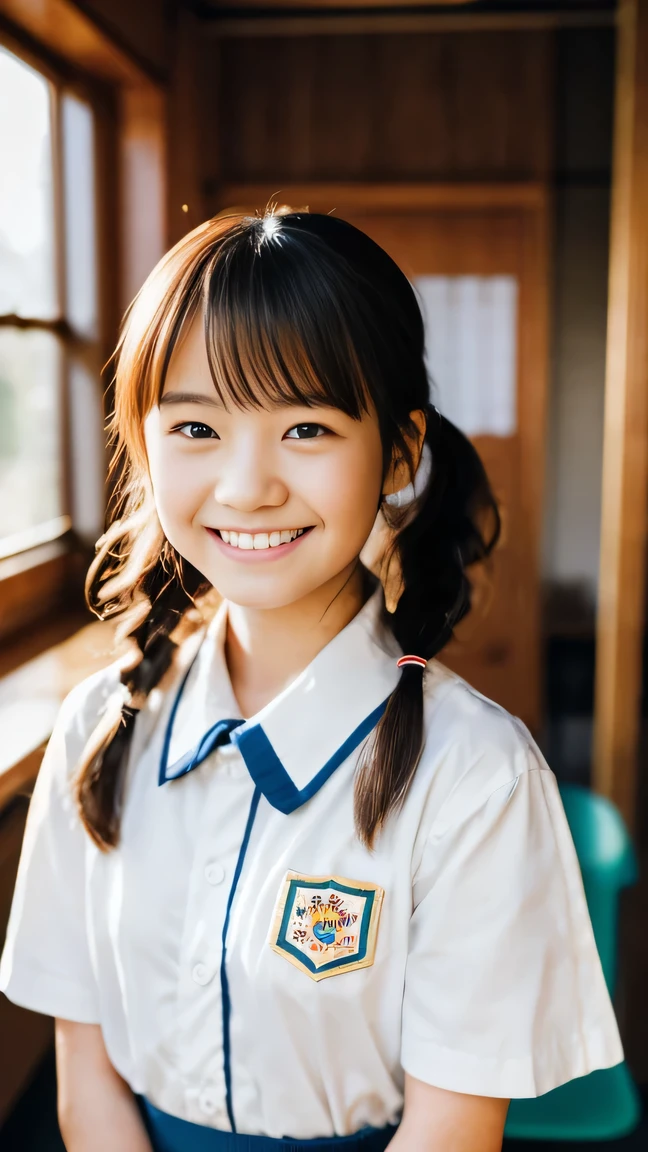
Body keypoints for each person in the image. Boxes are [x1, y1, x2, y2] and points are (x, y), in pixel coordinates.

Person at [0, 209, 623, 1152]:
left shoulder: (477, 778)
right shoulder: (99, 725)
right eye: (198, 425)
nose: (248, 486)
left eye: (305, 427)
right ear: (143, 441)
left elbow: (451, 1133)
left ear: (400, 452)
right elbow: (84, 1077)